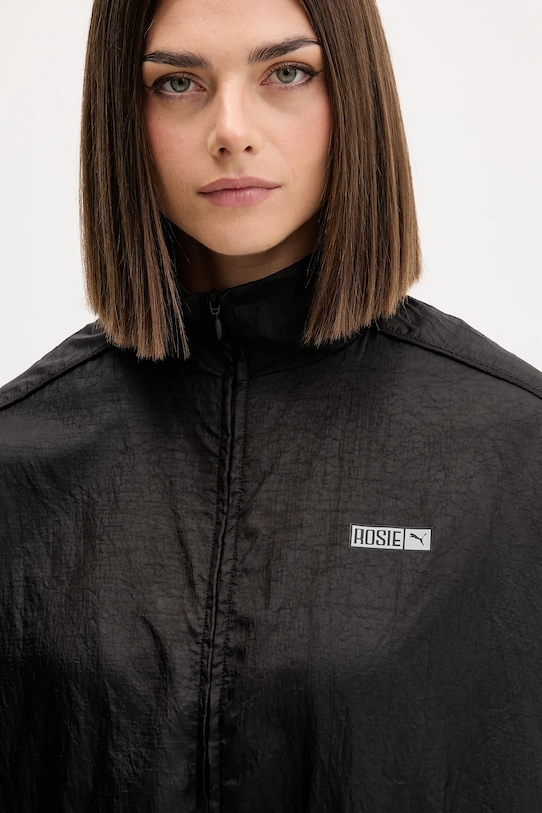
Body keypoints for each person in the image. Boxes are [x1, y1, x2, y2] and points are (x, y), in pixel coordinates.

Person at [1, 0, 541, 810]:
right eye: (177, 83)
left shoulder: (514, 450)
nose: (231, 130)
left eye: (287, 73)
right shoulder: (20, 461)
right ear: (121, 112)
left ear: (354, 93)